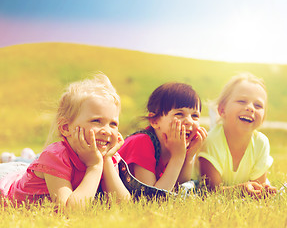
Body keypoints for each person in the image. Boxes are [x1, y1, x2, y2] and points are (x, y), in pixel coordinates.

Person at [0, 73, 130, 208]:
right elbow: (70, 210)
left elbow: (123, 204)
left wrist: (107, 161)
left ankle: (19, 160)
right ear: (66, 128)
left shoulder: (106, 156)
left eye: (113, 124)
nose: (107, 131)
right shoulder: (56, 156)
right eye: (96, 121)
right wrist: (95, 166)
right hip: (5, 184)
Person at [196, 73, 277, 198]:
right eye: (242, 101)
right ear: (222, 110)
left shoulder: (261, 143)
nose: (250, 108)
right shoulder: (211, 141)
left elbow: (257, 188)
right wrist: (241, 190)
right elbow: (211, 191)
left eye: (258, 105)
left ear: (264, 117)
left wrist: (262, 191)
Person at [118, 82, 207, 193]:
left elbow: (177, 188)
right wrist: (177, 157)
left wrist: (188, 156)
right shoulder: (141, 142)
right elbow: (152, 197)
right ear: (154, 121)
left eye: (195, 116)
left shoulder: (174, 146)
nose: (189, 121)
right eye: (179, 114)